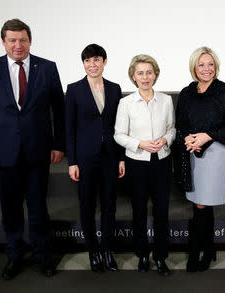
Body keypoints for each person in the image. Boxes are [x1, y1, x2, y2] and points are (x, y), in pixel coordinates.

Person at [0, 19, 65, 279]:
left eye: (22, 39)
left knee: (38, 208)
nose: (18, 45)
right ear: (3, 42)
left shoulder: (47, 68)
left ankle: (43, 255)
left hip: (38, 151)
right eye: (12, 40)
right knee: (10, 209)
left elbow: (59, 109)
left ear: (30, 41)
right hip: (3, 152)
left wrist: (59, 144)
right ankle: (14, 255)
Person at [175, 47, 225, 272]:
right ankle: (209, 247)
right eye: (201, 64)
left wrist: (206, 136)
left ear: (216, 67)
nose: (206, 69)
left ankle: (196, 253)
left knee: (202, 203)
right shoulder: (186, 92)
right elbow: (180, 123)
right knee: (198, 203)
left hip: (216, 151)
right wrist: (189, 140)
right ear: (194, 67)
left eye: (210, 64)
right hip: (191, 150)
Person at [65, 44, 125, 273]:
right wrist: (72, 161)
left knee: (109, 206)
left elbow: (119, 126)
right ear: (83, 64)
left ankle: (107, 250)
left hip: (110, 156)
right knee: (87, 206)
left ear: (104, 62)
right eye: (87, 61)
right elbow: (69, 129)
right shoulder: (74, 89)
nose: (92, 64)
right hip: (85, 159)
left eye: (96, 60)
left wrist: (121, 158)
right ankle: (93, 251)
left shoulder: (115, 88)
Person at [114, 54, 175, 276]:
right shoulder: (125, 103)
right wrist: (140, 143)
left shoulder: (166, 100)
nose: (145, 76)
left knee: (162, 211)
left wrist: (166, 139)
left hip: (162, 161)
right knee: (138, 210)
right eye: (140, 73)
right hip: (136, 163)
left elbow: (172, 129)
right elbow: (118, 135)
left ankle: (160, 257)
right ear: (133, 76)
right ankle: (142, 254)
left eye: (149, 72)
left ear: (155, 74)